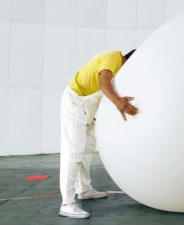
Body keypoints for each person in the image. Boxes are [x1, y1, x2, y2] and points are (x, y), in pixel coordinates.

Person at [59, 50, 138, 219]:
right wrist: (118, 102)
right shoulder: (114, 58)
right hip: (76, 104)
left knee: (86, 151)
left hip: (87, 109)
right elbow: (103, 82)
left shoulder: (118, 68)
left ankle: (84, 190)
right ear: (129, 60)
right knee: (73, 152)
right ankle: (67, 203)